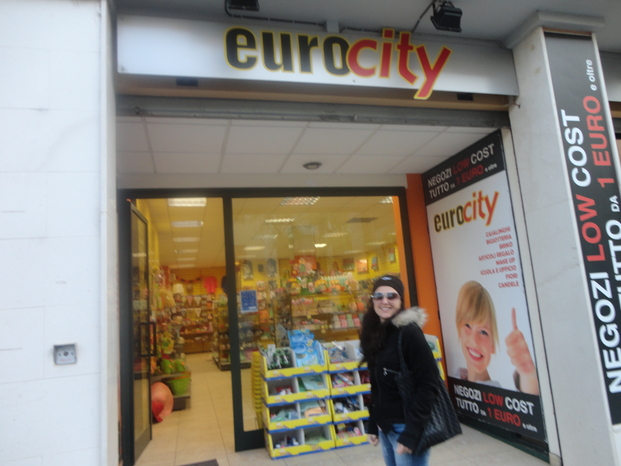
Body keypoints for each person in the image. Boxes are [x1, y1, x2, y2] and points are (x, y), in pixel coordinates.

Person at [359, 275, 439, 466]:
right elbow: (377, 384)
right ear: (372, 300)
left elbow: (429, 384)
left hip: (407, 426)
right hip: (386, 427)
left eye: (391, 296)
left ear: (401, 300)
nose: (384, 301)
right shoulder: (376, 334)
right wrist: (373, 423)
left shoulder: (410, 333)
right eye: (378, 296)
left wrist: (412, 432)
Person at [455, 280, 539, 395]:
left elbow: (529, 396)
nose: (474, 341)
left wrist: (528, 376)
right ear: (459, 329)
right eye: (468, 326)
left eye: (483, 332)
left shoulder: (496, 396)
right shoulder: (454, 379)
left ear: (493, 345)